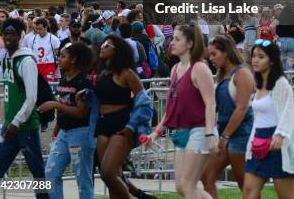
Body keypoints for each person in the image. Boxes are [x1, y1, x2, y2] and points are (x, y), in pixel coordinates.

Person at [146, 23, 218, 198]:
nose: (172, 42)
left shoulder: (200, 69)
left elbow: (211, 103)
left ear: (190, 43)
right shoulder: (174, 70)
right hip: (182, 131)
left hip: (200, 131)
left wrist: (209, 134)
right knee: (180, 186)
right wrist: (156, 133)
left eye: (178, 39)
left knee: (188, 185)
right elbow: (171, 108)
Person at [0, 18, 46, 199]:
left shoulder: (26, 61)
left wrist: (16, 122)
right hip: (10, 126)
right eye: (5, 34)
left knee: (38, 176)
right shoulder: (7, 60)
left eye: (12, 34)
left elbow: (32, 98)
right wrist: (8, 125)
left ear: (20, 36)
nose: (8, 37)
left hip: (25, 128)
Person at [94, 34, 152, 199]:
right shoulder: (103, 73)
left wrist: (131, 126)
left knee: (108, 173)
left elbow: (144, 102)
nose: (102, 47)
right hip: (103, 124)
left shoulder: (127, 74)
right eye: (103, 44)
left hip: (122, 123)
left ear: (117, 50)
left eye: (107, 45)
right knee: (113, 177)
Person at [243, 40, 294, 199]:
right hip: (258, 142)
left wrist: (280, 134)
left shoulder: (281, 84)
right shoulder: (259, 84)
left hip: (278, 145)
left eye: (261, 57)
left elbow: (288, 112)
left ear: (272, 60)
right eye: (254, 56)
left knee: (286, 196)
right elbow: (258, 118)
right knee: (249, 192)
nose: (255, 60)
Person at [202, 35, 254, 199]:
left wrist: (225, 135)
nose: (211, 59)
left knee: (244, 183)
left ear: (226, 52)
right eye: (209, 55)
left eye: (214, 54)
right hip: (225, 133)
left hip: (241, 134)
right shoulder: (222, 74)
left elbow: (242, 108)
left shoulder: (242, 73)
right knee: (207, 175)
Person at [42, 43, 95, 199]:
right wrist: (57, 129)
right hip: (64, 134)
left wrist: (55, 104)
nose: (59, 59)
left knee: (82, 178)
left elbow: (81, 112)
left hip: (81, 134)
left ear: (74, 60)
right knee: (51, 173)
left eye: (63, 56)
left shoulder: (83, 82)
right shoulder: (64, 79)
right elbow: (64, 105)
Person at [23, 17, 60, 82]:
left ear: (46, 27)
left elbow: (58, 54)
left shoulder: (54, 39)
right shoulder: (32, 39)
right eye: (37, 29)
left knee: (49, 88)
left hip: (49, 66)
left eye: (40, 29)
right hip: (36, 67)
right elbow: (29, 55)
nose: (38, 31)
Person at [275, 6, 294, 72]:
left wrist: (275, 34)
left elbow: (272, 27)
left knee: (281, 63)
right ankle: (288, 80)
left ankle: (283, 80)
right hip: (291, 41)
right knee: (289, 63)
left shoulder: (278, 20)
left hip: (280, 41)